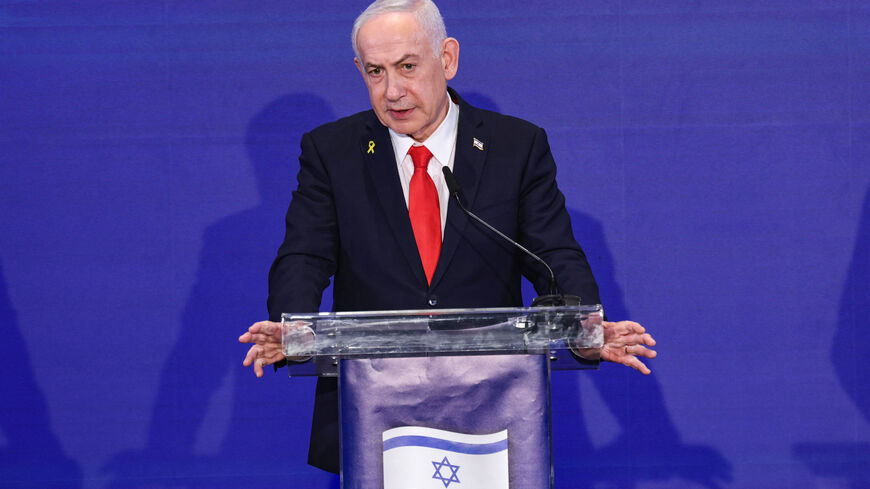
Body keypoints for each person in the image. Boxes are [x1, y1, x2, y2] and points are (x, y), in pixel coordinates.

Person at [239, 0, 657, 473]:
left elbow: (553, 255)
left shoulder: (515, 147)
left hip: (491, 412)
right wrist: (294, 326)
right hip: (373, 415)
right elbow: (304, 256)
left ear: (448, 58)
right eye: (375, 72)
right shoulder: (332, 152)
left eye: (408, 66)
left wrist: (583, 329)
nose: (392, 90)